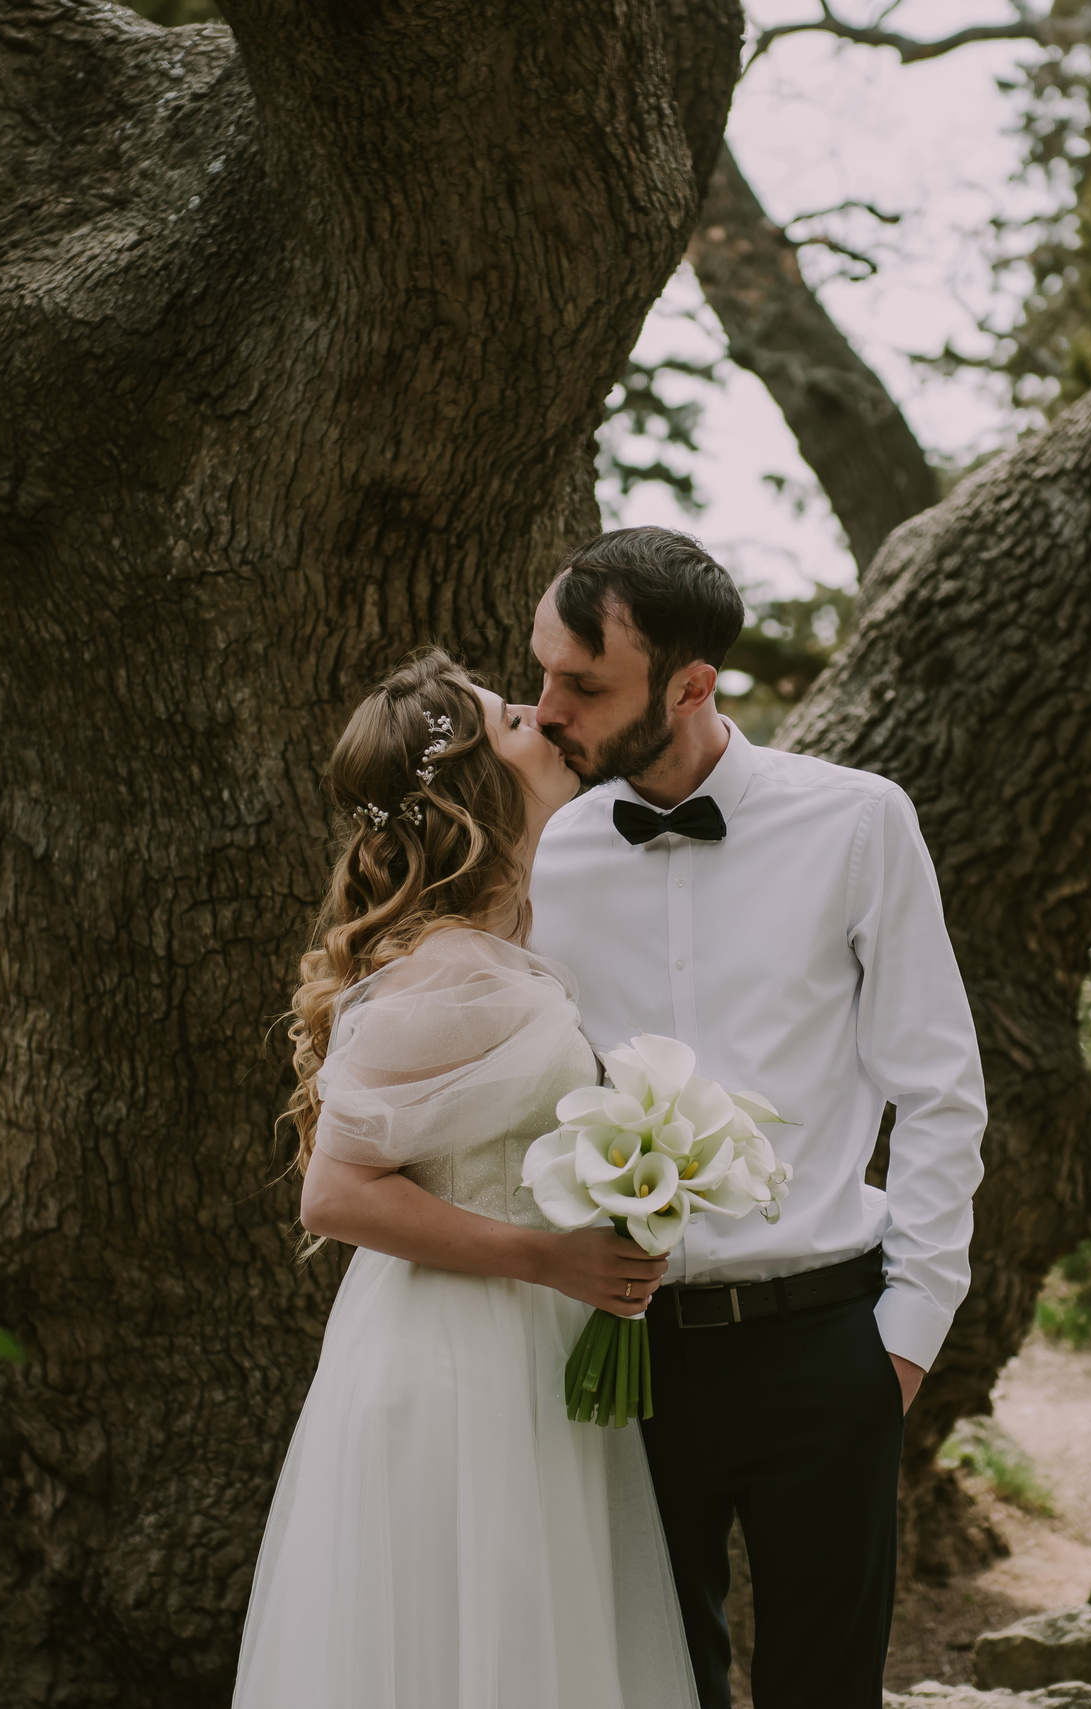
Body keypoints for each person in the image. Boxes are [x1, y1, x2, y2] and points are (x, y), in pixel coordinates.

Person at [527, 526, 988, 1709]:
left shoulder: (858, 823)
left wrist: (904, 1337)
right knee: (648, 1690)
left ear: (690, 686)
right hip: (624, 1354)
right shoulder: (543, 848)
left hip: (823, 1343)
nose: (547, 710)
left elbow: (939, 1086)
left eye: (584, 684)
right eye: (543, 673)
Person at [233, 649, 699, 1709]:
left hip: (523, 1341)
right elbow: (334, 1193)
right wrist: (552, 1257)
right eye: (512, 719)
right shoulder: (447, 970)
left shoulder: (505, 941)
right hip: (456, 1358)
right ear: (477, 785)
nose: (542, 714)